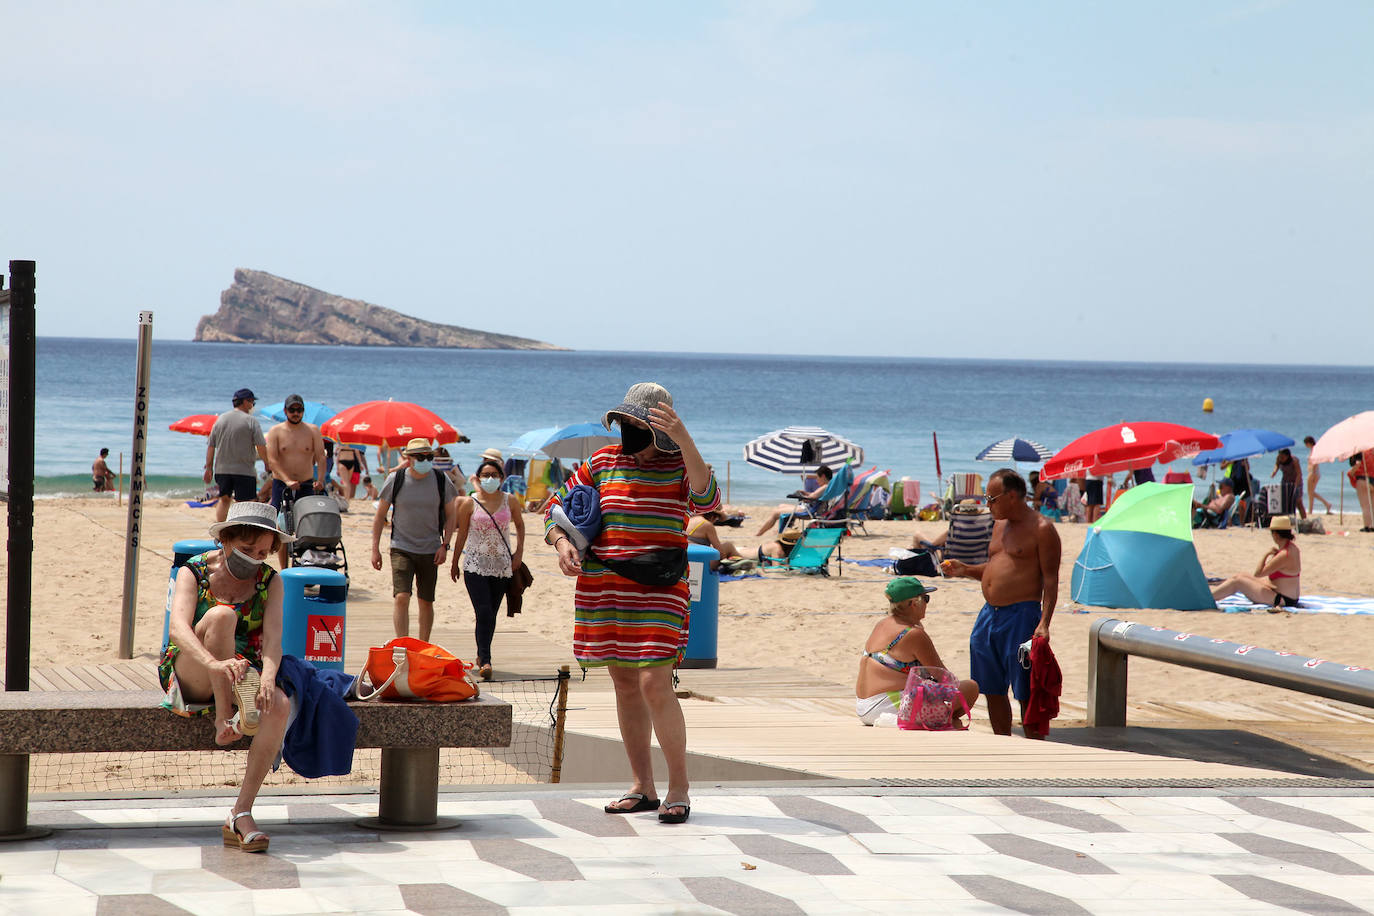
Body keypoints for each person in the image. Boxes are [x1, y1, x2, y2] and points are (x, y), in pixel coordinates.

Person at [544, 382, 718, 825]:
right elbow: (554, 507)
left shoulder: (679, 463)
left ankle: (678, 787)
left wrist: (686, 440)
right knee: (624, 685)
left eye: (636, 425)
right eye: (624, 423)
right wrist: (561, 541)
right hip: (603, 587)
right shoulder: (602, 461)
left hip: (659, 587)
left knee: (654, 684)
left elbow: (708, 499)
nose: (627, 432)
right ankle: (643, 786)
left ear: (659, 428)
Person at [157, 501, 291, 853]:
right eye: (247, 549)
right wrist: (213, 663)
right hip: (193, 668)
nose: (255, 558)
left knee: (279, 706)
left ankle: (241, 812)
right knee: (221, 617)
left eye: (263, 552)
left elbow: (275, 642)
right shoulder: (194, 572)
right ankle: (222, 719)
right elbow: (178, 631)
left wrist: (268, 679)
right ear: (226, 541)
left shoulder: (270, 581)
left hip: (242, 670)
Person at [942, 468, 1060, 739]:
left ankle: (1034, 744)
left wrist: (1044, 623)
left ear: (1011, 496)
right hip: (988, 615)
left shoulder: (1042, 529)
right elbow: (997, 567)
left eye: (991, 498)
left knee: (1025, 689)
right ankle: (1002, 740)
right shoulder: (998, 525)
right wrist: (965, 569)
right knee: (990, 686)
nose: (987, 504)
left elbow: (1051, 581)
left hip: (1021, 614)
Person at [855, 577, 979, 727]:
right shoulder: (913, 634)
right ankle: (945, 720)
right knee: (970, 688)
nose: (927, 604)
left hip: (863, 706)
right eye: (926, 598)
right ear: (914, 603)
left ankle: (944, 720)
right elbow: (944, 677)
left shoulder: (882, 624)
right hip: (888, 707)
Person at [371, 438, 459, 643]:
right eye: (420, 457)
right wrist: (375, 549)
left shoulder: (440, 479)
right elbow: (379, 516)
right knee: (401, 597)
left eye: (429, 457)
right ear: (409, 459)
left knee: (426, 601)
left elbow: (451, 515)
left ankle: (423, 646)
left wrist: (445, 545)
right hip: (401, 547)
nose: (425, 461)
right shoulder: (396, 479)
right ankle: (403, 645)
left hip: (431, 548)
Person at [449, 456, 524, 681]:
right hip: (474, 565)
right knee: (482, 611)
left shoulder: (510, 501)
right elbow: (461, 533)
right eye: (485, 475)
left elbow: (520, 525)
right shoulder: (469, 502)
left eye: (494, 475)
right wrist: (454, 563)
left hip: (502, 565)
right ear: (478, 478)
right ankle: (486, 658)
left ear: (501, 478)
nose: (489, 479)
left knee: (491, 614)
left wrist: (519, 553)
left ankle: (482, 657)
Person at [265, 393, 327, 568]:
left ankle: (305, 563)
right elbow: (273, 461)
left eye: (299, 410)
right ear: (285, 411)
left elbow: (321, 457)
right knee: (281, 527)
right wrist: (287, 480)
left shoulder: (312, 430)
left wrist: (321, 479)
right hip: (281, 485)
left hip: (306, 484)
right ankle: (284, 568)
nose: (295, 413)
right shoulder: (276, 431)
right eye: (292, 410)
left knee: (306, 526)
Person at [204, 388, 272, 523]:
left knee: (224, 500)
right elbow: (261, 446)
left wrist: (209, 468)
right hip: (244, 470)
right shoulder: (251, 421)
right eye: (252, 402)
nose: (253, 405)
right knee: (247, 502)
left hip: (222, 470)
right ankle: (244, 532)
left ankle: (221, 533)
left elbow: (211, 446)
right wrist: (267, 463)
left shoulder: (220, 419)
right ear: (245, 402)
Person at [1210, 515, 1302, 609]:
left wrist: (1266, 554)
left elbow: (1258, 573)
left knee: (1237, 581)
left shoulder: (1284, 554)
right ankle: (1210, 596)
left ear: (1275, 534)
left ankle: (1208, 599)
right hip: (1286, 596)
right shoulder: (1293, 548)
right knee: (1241, 575)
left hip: (1282, 599)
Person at [753, 465, 834, 536]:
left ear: (823, 476)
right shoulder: (829, 486)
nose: (816, 480)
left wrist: (800, 495)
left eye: (817, 477)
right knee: (781, 506)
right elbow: (814, 496)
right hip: (812, 508)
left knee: (775, 513)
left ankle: (759, 533)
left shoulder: (825, 487)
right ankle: (786, 529)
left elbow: (812, 497)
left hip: (808, 510)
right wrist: (805, 493)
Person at [1271, 448, 1305, 519]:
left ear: (1287, 456)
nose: (1281, 459)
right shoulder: (1279, 458)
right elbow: (1277, 465)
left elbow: (1299, 474)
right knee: (1285, 501)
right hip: (1285, 481)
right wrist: (1274, 472)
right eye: (1280, 457)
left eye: (1283, 457)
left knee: (1298, 502)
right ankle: (1286, 519)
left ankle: (1304, 519)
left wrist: (1296, 485)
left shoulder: (1294, 461)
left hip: (1296, 481)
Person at [1304, 436, 1332, 515]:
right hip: (1313, 472)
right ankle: (1326, 504)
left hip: (1313, 473)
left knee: (1310, 493)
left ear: (1309, 443)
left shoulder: (1314, 450)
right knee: (1311, 493)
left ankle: (1312, 510)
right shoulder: (1314, 450)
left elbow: (1315, 462)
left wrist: (1312, 473)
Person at [1350, 454, 1374, 532]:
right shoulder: (1371, 450)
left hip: (1362, 478)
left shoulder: (1360, 451)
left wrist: (1351, 472)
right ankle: (1372, 525)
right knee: (1372, 505)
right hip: (1372, 478)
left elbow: (1358, 464)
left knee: (1365, 506)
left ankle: (1367, 526)